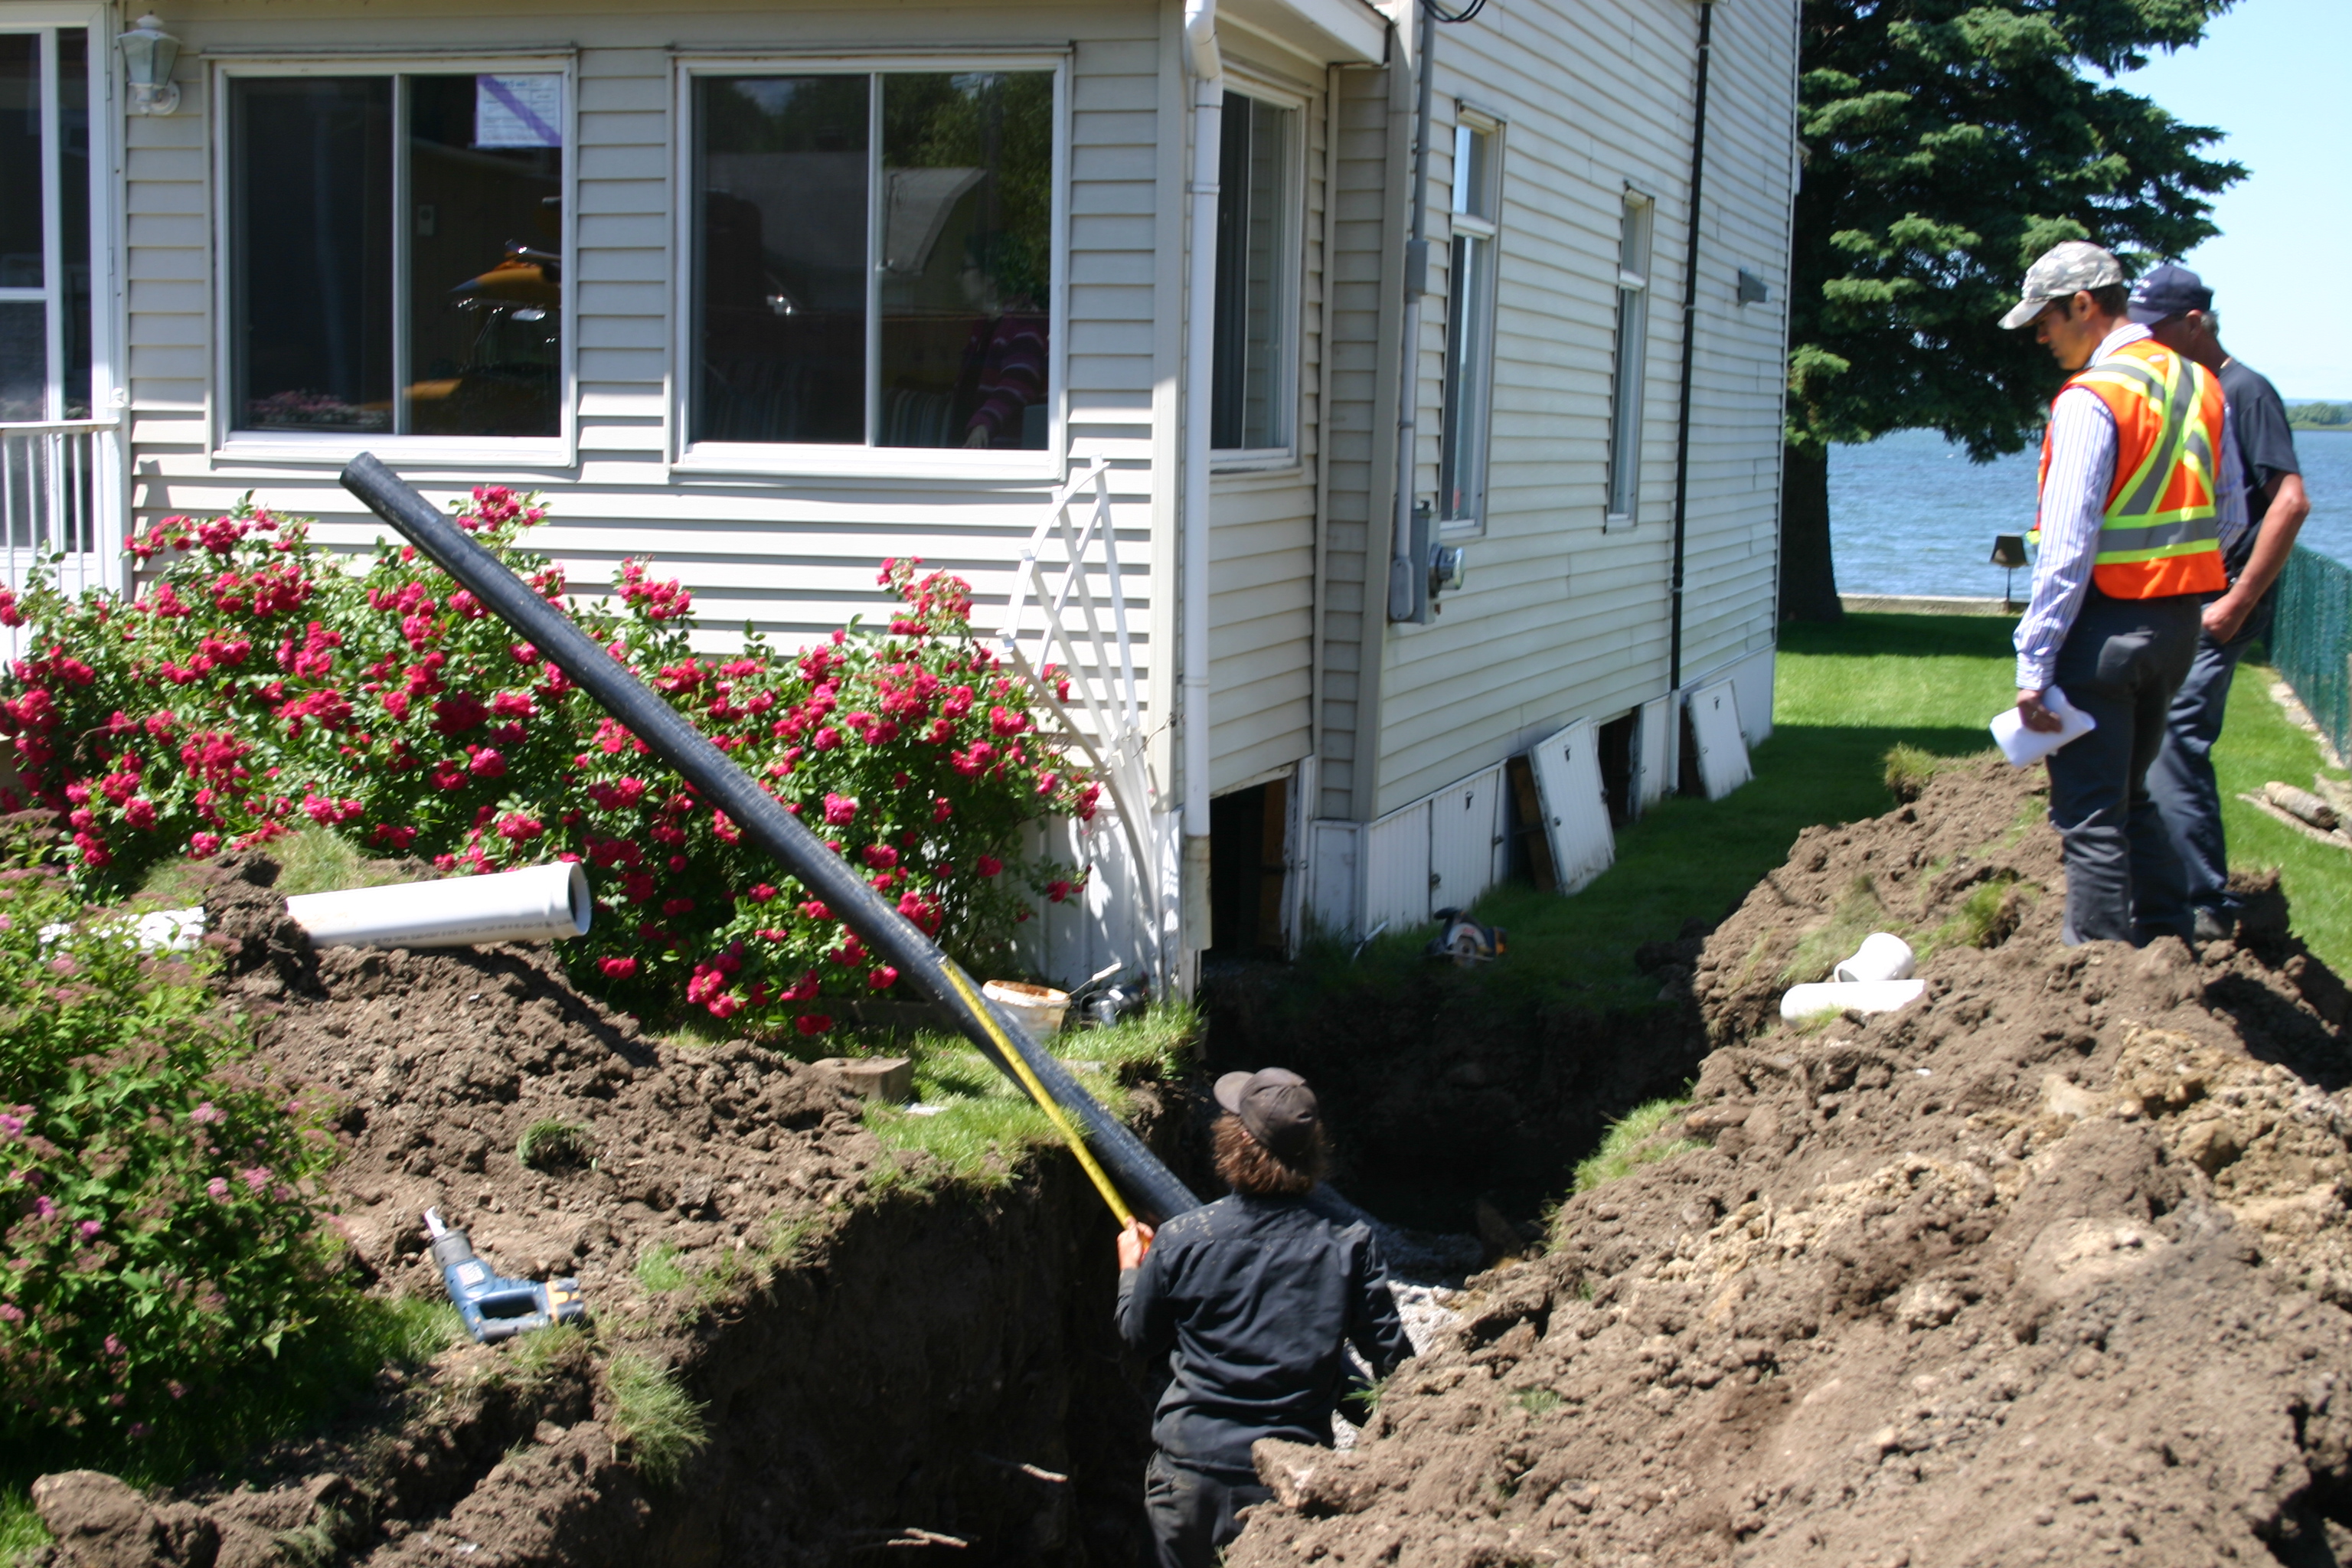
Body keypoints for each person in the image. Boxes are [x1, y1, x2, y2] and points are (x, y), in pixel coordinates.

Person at [2002, 240, 2246, 946]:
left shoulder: (2094, 397)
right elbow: (2230, 515)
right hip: (2176, 627)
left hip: (2104, 632)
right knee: (2134, 797)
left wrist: (2034, 663)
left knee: (2089, 815)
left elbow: (2067, 548)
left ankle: (2098, 987)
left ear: (2084, 305)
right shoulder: (2200, 384)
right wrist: (2174, 575)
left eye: (2045, 320)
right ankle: (2168, 951)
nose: (2042, 337)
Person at [1115, 1067, 1414, 1568]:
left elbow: (1137, 1337)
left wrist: (1131, 1270)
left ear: (1235, 1142)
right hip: (1289, 1484)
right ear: (1313, 1150)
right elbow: (1396, 1367)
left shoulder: (1185, 1237)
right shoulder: (1349, 1246)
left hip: (1188, 1479)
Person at [2131, 264, 2313, 941]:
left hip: (2222, 603)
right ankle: (2163, 885)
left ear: (2196, 323)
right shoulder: (2197, 392)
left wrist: (2237, 601)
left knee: (2178, 737)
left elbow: (2289, 502)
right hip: (2192, 597)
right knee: (2154, 736)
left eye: (2159, 330)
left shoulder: (2245, 392)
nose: (2148, 343)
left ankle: (2204, 902)